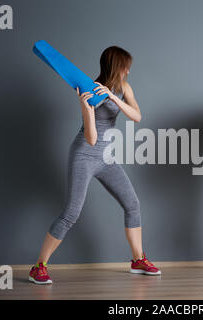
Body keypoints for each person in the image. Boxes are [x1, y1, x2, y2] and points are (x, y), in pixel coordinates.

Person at [29, 46, 161, 284]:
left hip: (107, 157)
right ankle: (39, 266)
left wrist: (112, 97)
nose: (128, 71)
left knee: (133, 204)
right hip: (84, 155)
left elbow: (137, 116)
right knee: (71, 213)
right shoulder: (88, 89)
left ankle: (138, 260)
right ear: (115, 66)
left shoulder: (123, 88)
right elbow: (90, 139)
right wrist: (86, 108)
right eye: (125, 66)